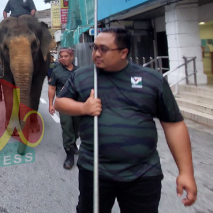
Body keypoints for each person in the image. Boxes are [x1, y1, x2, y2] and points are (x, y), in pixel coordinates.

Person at [55, 28, 197, 213]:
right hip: (95, 171)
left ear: (124, 52)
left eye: (103, 49)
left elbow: (174, 124)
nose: (96, 54)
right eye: (94, 48)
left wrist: (186, 173)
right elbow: (60, 102)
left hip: (143, 174)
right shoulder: (82, 76)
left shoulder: (152, 79)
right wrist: (83, 108)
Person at [47, 48, 79, 170]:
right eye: (61, 56)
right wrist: (51, 104)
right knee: (67, 127)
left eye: (66, 56)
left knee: (77, 127)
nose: (63, 58)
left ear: (72, 57)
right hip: (64, 104)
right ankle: (69, 155)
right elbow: (52, 88)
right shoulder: (56, 71)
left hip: (77, 104)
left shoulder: (79, 71)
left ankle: (74, 142)